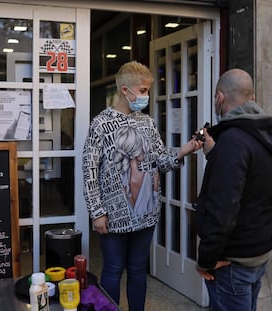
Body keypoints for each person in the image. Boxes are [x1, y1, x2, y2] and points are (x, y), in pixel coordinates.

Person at [82, 61, 201, 310]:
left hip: (146, 213)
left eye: (148, 90)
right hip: (113, 216)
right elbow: (89, 169)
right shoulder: (100, 123)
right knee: (113, 270)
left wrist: (182, 152)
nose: (146, 96)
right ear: (125, 90)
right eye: (143, 90)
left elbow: (158, 162)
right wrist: (97, 211)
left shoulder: (147, 123)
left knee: (138, 270)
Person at [194, 68, 272, 311]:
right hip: (257, 252)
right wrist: (216, 155)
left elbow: (222, 210)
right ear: (251, 98)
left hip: (231, 261)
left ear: (220, 98)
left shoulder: (233, 141)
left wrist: (206, 259)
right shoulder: (264, 135)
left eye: (216, 98)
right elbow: (252, 186)